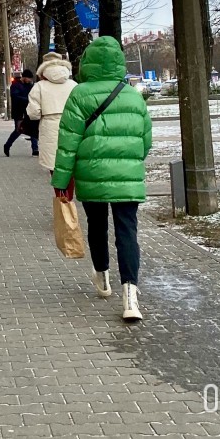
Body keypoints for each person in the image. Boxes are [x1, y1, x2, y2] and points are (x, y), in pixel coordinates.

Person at [52, 36, 152, 322]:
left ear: (88, 63)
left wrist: (61, 181)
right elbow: (146, 142)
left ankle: (102, 277)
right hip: (127, 176)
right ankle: (131, 295)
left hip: (91, 173)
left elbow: (68, 143)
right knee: (127, 232)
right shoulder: (133, 95)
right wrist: (130, 161)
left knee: (97, 226)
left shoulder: (80, 94)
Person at [27, 52, 77, 173]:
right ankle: (71, 191)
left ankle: (60, 192)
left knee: (54, 167)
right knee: (72, 165)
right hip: (73, 126)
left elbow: (34, 113)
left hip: (49, 128)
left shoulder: (39, 86)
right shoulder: (74, 85)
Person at [3, 69, 38, 156]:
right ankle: (7, 145)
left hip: (29, 111)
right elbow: (15, 97)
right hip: (18, 111)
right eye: (29, 79)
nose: (30, 80)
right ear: (25, 77)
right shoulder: (15, 85)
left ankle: (35, 149)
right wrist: (28, 99)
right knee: (19, 130)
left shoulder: (30, 85)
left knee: (33, 129)